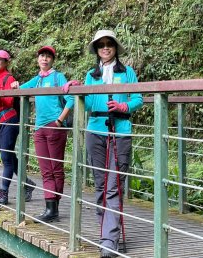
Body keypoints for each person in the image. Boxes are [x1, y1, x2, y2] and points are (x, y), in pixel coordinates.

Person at [79, 30, 142, 258]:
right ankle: (107, 233)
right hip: (95, 130)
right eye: (101, 45)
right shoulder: (91, 75)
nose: (105, 48)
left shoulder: (128, 73)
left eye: (109, 44)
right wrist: (75, 88)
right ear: (96, 49)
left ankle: (109, 240)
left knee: (114, 186)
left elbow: (138, 99)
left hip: (121, 131)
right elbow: (85, 104)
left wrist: (124, 107)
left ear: (115, 47)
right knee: (100, 185)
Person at [11, 46, 73, 222]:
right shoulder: (37, 79)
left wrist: (59, 121)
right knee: (46, 170)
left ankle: (54, 206)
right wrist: (14, 84)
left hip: (55, 127)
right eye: (42, 56)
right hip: (39, 129)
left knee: (56, 168)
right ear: (38, 59)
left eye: (48, 56)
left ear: (52, 60)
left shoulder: (57, 77)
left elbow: (71, 99)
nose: (44, 59)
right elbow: (20, 90)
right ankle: (49, 208)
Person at [0, 50, 36, 205]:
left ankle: (3, 192)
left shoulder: (9, 78)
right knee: (9, 157)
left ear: (6, 62)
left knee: (6, 159)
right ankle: (27, 184)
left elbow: (8, 101)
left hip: (8, 120)